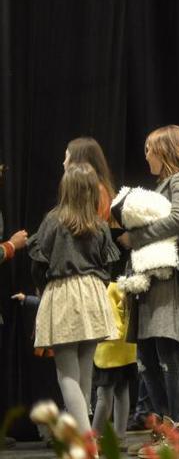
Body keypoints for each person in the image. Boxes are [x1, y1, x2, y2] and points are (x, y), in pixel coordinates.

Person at [117, 125, 179, 456]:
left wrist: (135, 238)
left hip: (169, 281)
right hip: (151, 282)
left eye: (149, 149)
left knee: (171, 358)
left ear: (165, 151)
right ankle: (167, 429)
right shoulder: (167, 184)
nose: (146, 155)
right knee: (148, 361)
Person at [28, 163, 119, 433]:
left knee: (66, 374)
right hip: (92, 294)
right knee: (84, 374)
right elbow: (108, 266)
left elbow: (37, 264)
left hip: (63, 294)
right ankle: (82, 438)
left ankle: (85, 441)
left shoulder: (53, 221)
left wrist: (45, 289)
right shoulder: (99, 225)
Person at [92, 283, 137, 447]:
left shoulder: (105, 286)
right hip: (126, 345)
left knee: (104, 393)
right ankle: (120, 438)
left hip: (109, 345)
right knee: (122, 390)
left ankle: (94, 438)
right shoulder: (124, 283)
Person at [64, 137, 116, 221]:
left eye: (67, 157)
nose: (64, 163)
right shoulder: (94, 189)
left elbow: (89, 229)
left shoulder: (97, 191)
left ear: (78, 161)